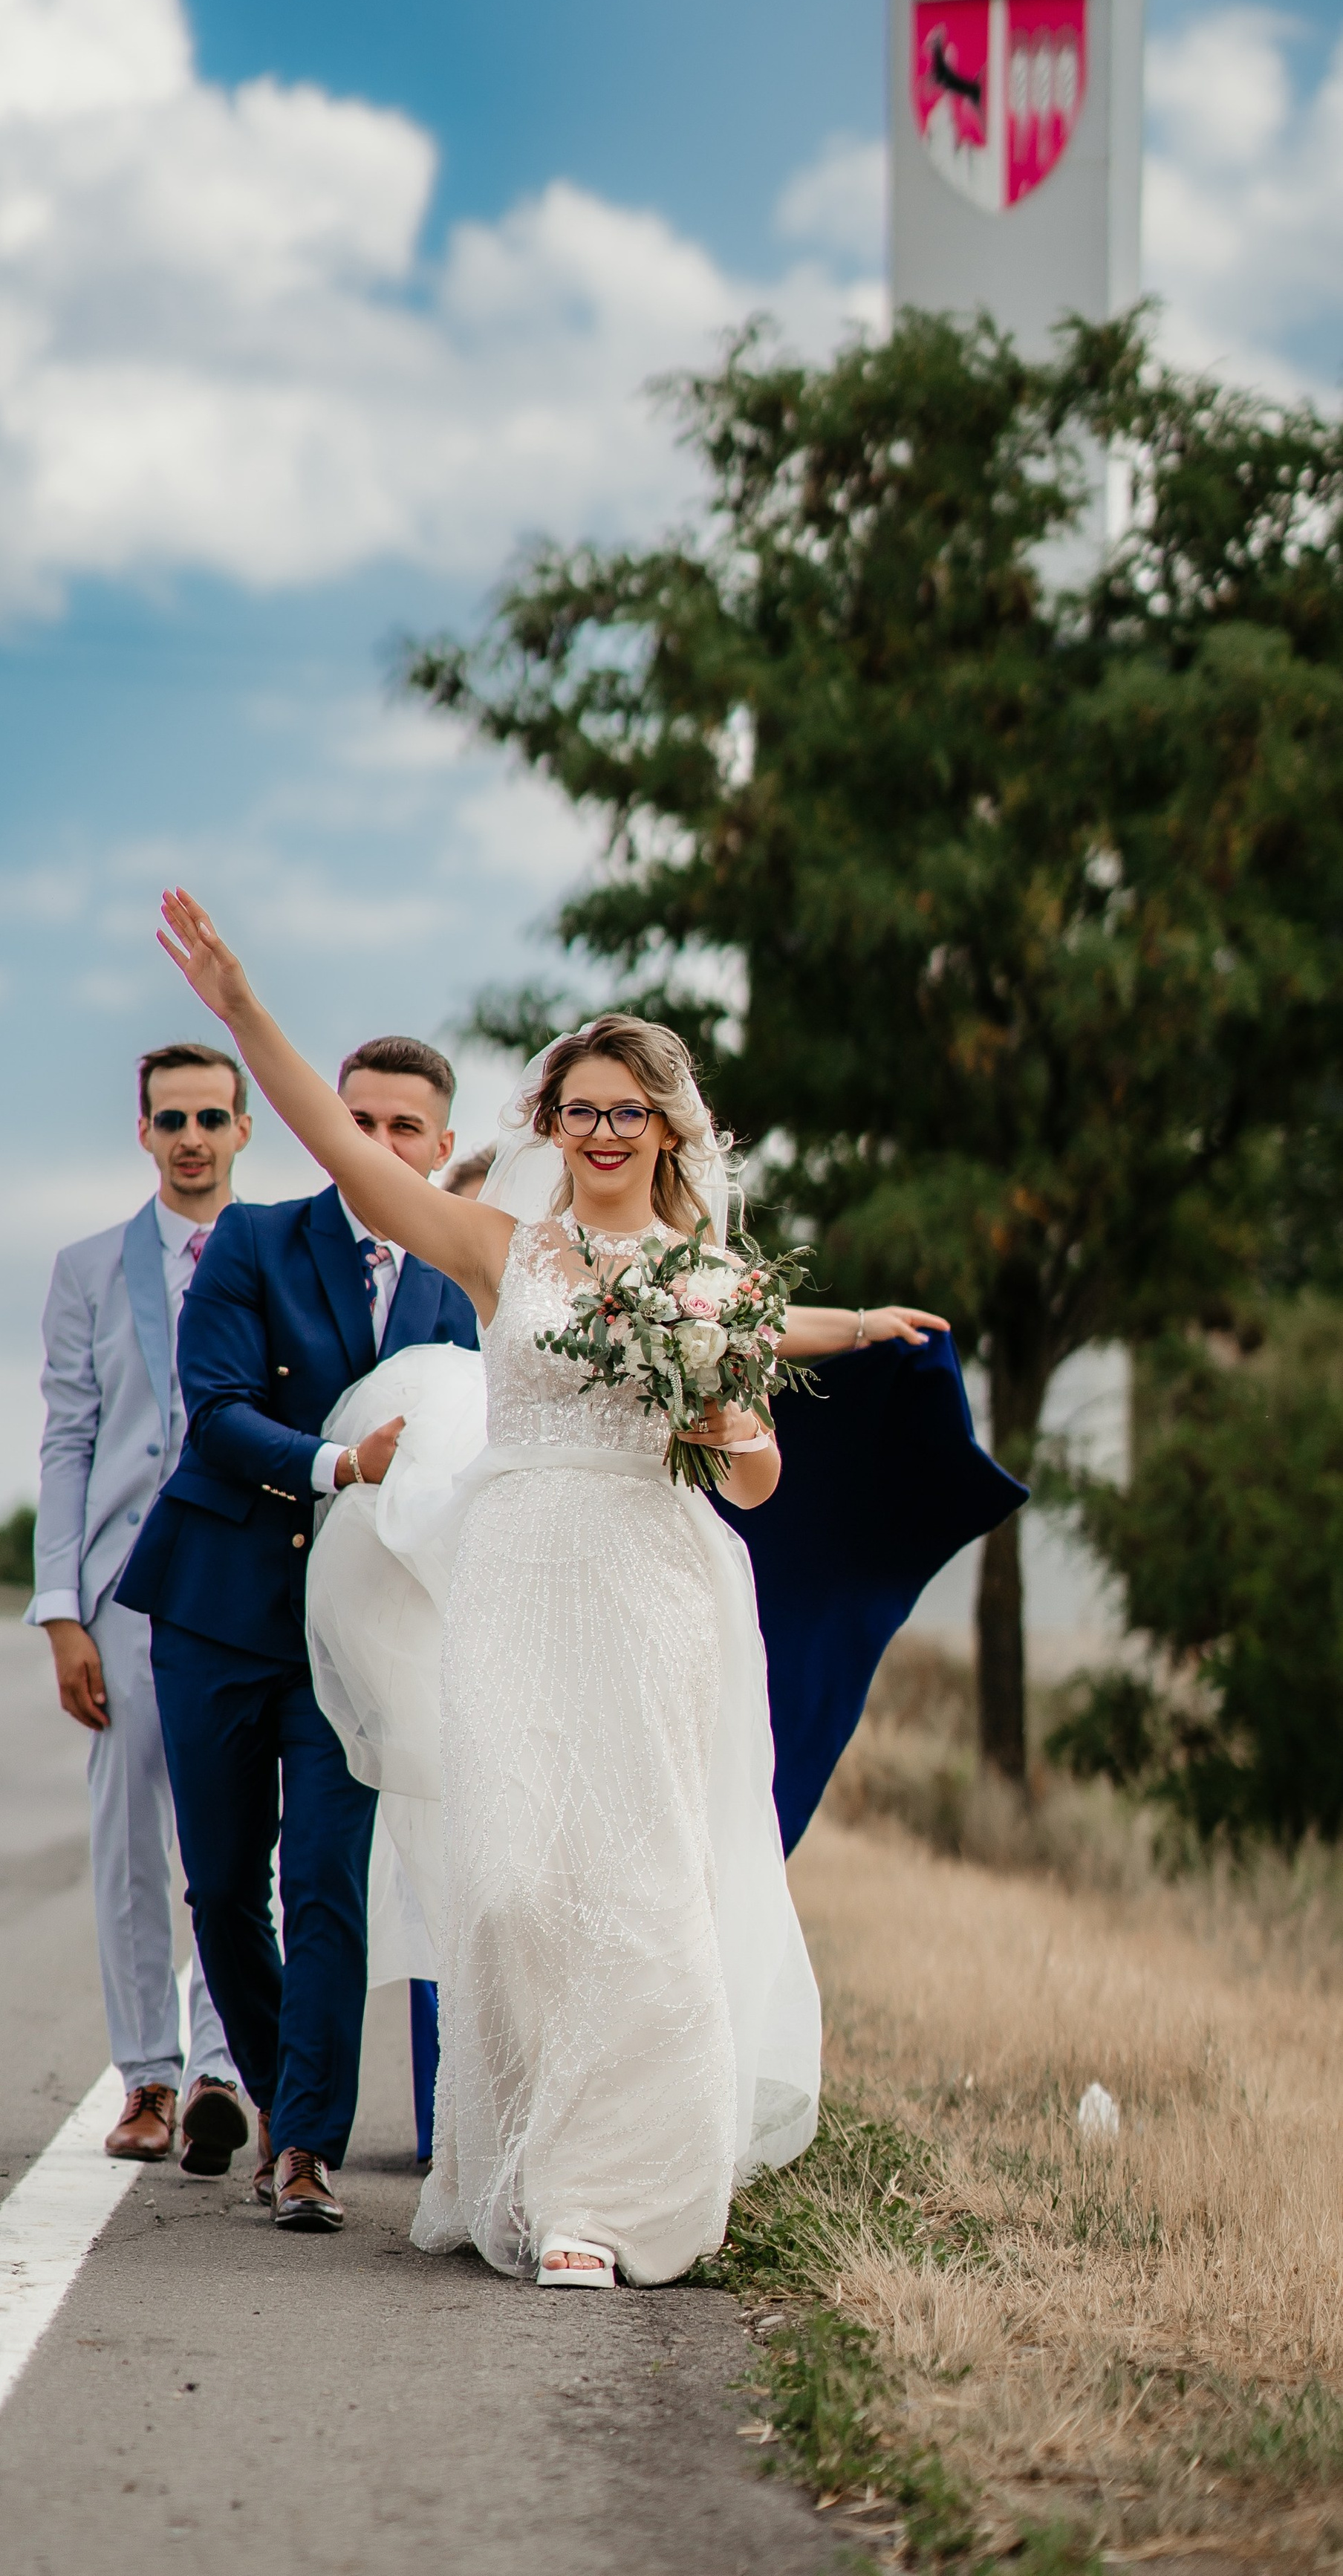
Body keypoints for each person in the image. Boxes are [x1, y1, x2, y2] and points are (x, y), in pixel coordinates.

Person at [150, 888, 940, 2288]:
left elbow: (754, 1478)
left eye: (629, 1111)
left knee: (636, 1891)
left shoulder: (709, 1287)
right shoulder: (501, 1252)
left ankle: (608, 2202)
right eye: (580, 1109)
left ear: (668, 1130)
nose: (603, 1133)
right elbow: (340, 1142)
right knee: (512, 1889)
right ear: (550, 1124)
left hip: (651, 1587)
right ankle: (514, 2167)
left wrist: (732, 1435)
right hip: (514, 1580)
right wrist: (241, 1011)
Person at [114, 1035, 480, 2232]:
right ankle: (282, 2100)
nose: (377, 1147)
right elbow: (215, 1415)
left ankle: (311, 2150)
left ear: (441, 1148)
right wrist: (338, 1464)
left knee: (327, 1882)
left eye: (403, 1130)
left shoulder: (457, 1292)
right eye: (356, 1121)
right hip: (218, 1609)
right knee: (224, 1891)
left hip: (355, 1639)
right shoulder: (256, 1243)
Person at [27, 1040, 250, 2174]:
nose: (193, 1138)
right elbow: (68, 1439)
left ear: (243, 1130)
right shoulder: (87, 1270)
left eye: (212, 1117)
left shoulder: (273, 1255)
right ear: (145, 1134)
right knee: (125, 1839)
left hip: (243, 1583)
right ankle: (148, 2078)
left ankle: (220, 2069)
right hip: (123, 1587)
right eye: (173, 1120)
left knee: (228, 1836)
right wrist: (62, 1610)